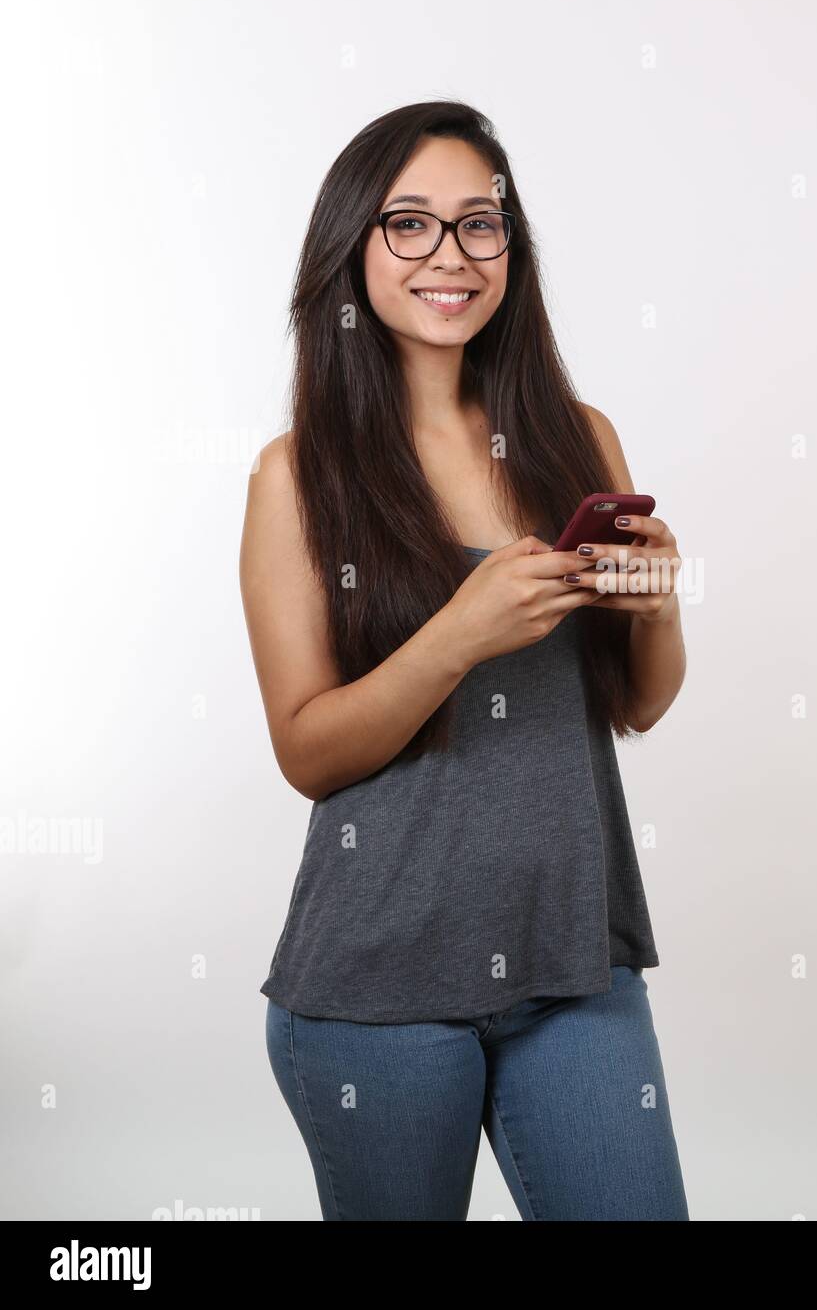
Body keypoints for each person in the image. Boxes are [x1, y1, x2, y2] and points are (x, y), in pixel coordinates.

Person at [238, 101, 689, 1220]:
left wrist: (659, 602)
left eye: (479, 224)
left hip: (574, 963)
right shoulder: (297, 477)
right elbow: (307, 748)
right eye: (410, 224)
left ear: (511, 246)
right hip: (377, 988)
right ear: (353, 247)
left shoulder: (575, 437)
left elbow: (637, 702)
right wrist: (458, 632)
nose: (450, 255)